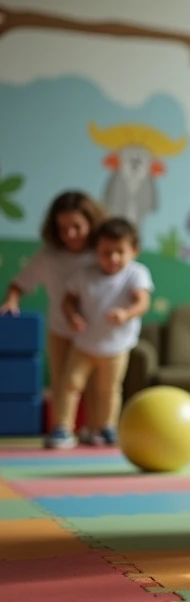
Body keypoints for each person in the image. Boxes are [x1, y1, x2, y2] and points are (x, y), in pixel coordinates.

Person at [1, 191, 108, 449]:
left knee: (97, 384)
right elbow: (20, 283)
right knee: (63, 381)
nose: (70, 234)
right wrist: (12, 300)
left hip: (96, 332)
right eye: (63, 229)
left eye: (77, 227)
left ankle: (95, 428)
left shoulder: (101, 253)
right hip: (61, 329)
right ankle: (62, 428)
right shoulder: (49, 257)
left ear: (91, 224)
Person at [49, 217, 154, 448]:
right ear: (96, 250)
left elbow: (142, 302)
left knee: (109, 389)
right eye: (106, 252)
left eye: (119, 252)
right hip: (84, 344)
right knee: (70, 385)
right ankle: (63, 428)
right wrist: (72, 317)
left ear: (133, 251)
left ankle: (106, 427)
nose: (113, 259)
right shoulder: (85, 274)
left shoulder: (136, 273)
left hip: (116, 347)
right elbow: (67, 300)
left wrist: (126, 314)